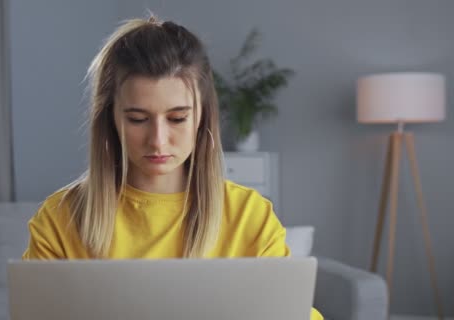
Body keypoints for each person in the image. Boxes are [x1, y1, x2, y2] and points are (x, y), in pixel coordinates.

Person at [22, 15, 323, 320]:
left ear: (202, 118)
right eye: (137, 119)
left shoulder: (250, 216)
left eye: (177, 118)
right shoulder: (60, 219)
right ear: (110, 119)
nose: (158, 141)